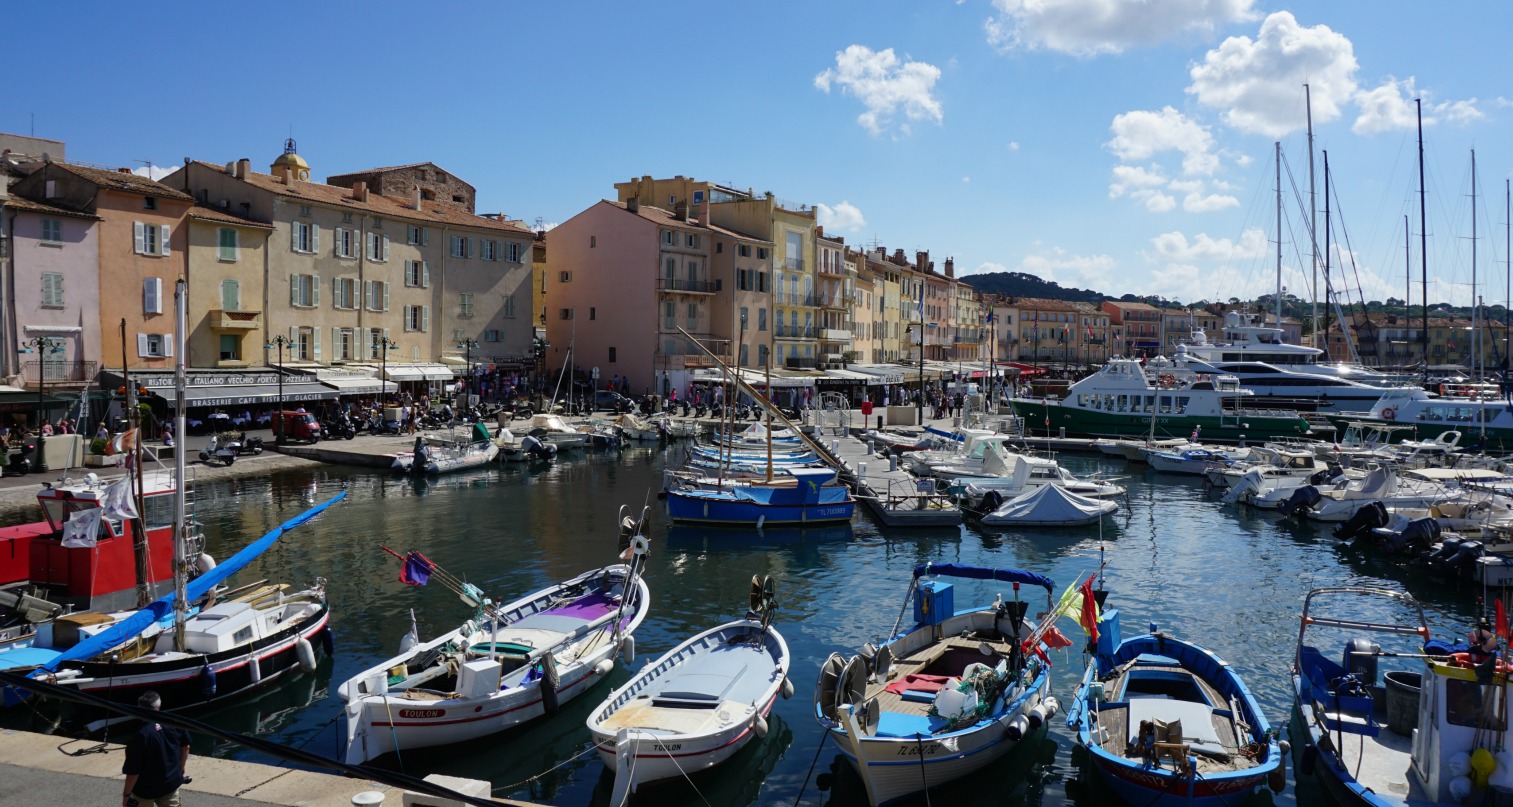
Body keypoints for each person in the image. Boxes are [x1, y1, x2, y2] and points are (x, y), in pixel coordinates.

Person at [122, 691, 190, 807]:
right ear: (159, 706)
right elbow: (186, 747)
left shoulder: (140, 736)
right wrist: (181, 767)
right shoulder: (174, 722)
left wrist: (126, 796)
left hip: (145, 790)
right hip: (170, 784)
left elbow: (133, 772)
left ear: (139, 709)